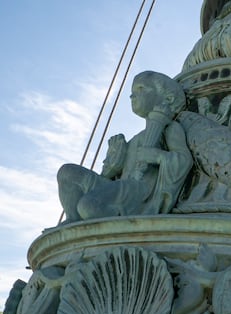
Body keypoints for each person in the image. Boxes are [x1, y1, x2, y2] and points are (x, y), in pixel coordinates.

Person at [57, 71, 192, 223]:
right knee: (66, 172)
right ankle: (72, 219)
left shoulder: (170, 128)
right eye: (132, 92)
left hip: (138, 191)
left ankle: (120, 216)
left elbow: (184, 159)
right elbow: (112, 175)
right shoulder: (135, 139)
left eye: (141, 89)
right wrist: (114, 165)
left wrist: (157, 156)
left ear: (167, 98)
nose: (132, 96)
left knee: (87, 207)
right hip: (122, 186)